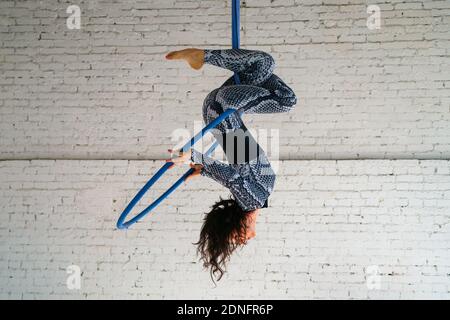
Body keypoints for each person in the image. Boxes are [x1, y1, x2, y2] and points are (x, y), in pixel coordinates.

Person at [165, 48, 297, 282]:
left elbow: (231, 177)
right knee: (262, 67)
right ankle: (204, 58)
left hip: (225, 110)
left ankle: (202, 57)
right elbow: (235, 174)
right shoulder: (253, 198)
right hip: (219, 110)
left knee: (286, 99)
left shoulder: (251, 200)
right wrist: (203, 170)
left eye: (237, 239)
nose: (245, 240)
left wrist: (194, 156)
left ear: (235, 226)